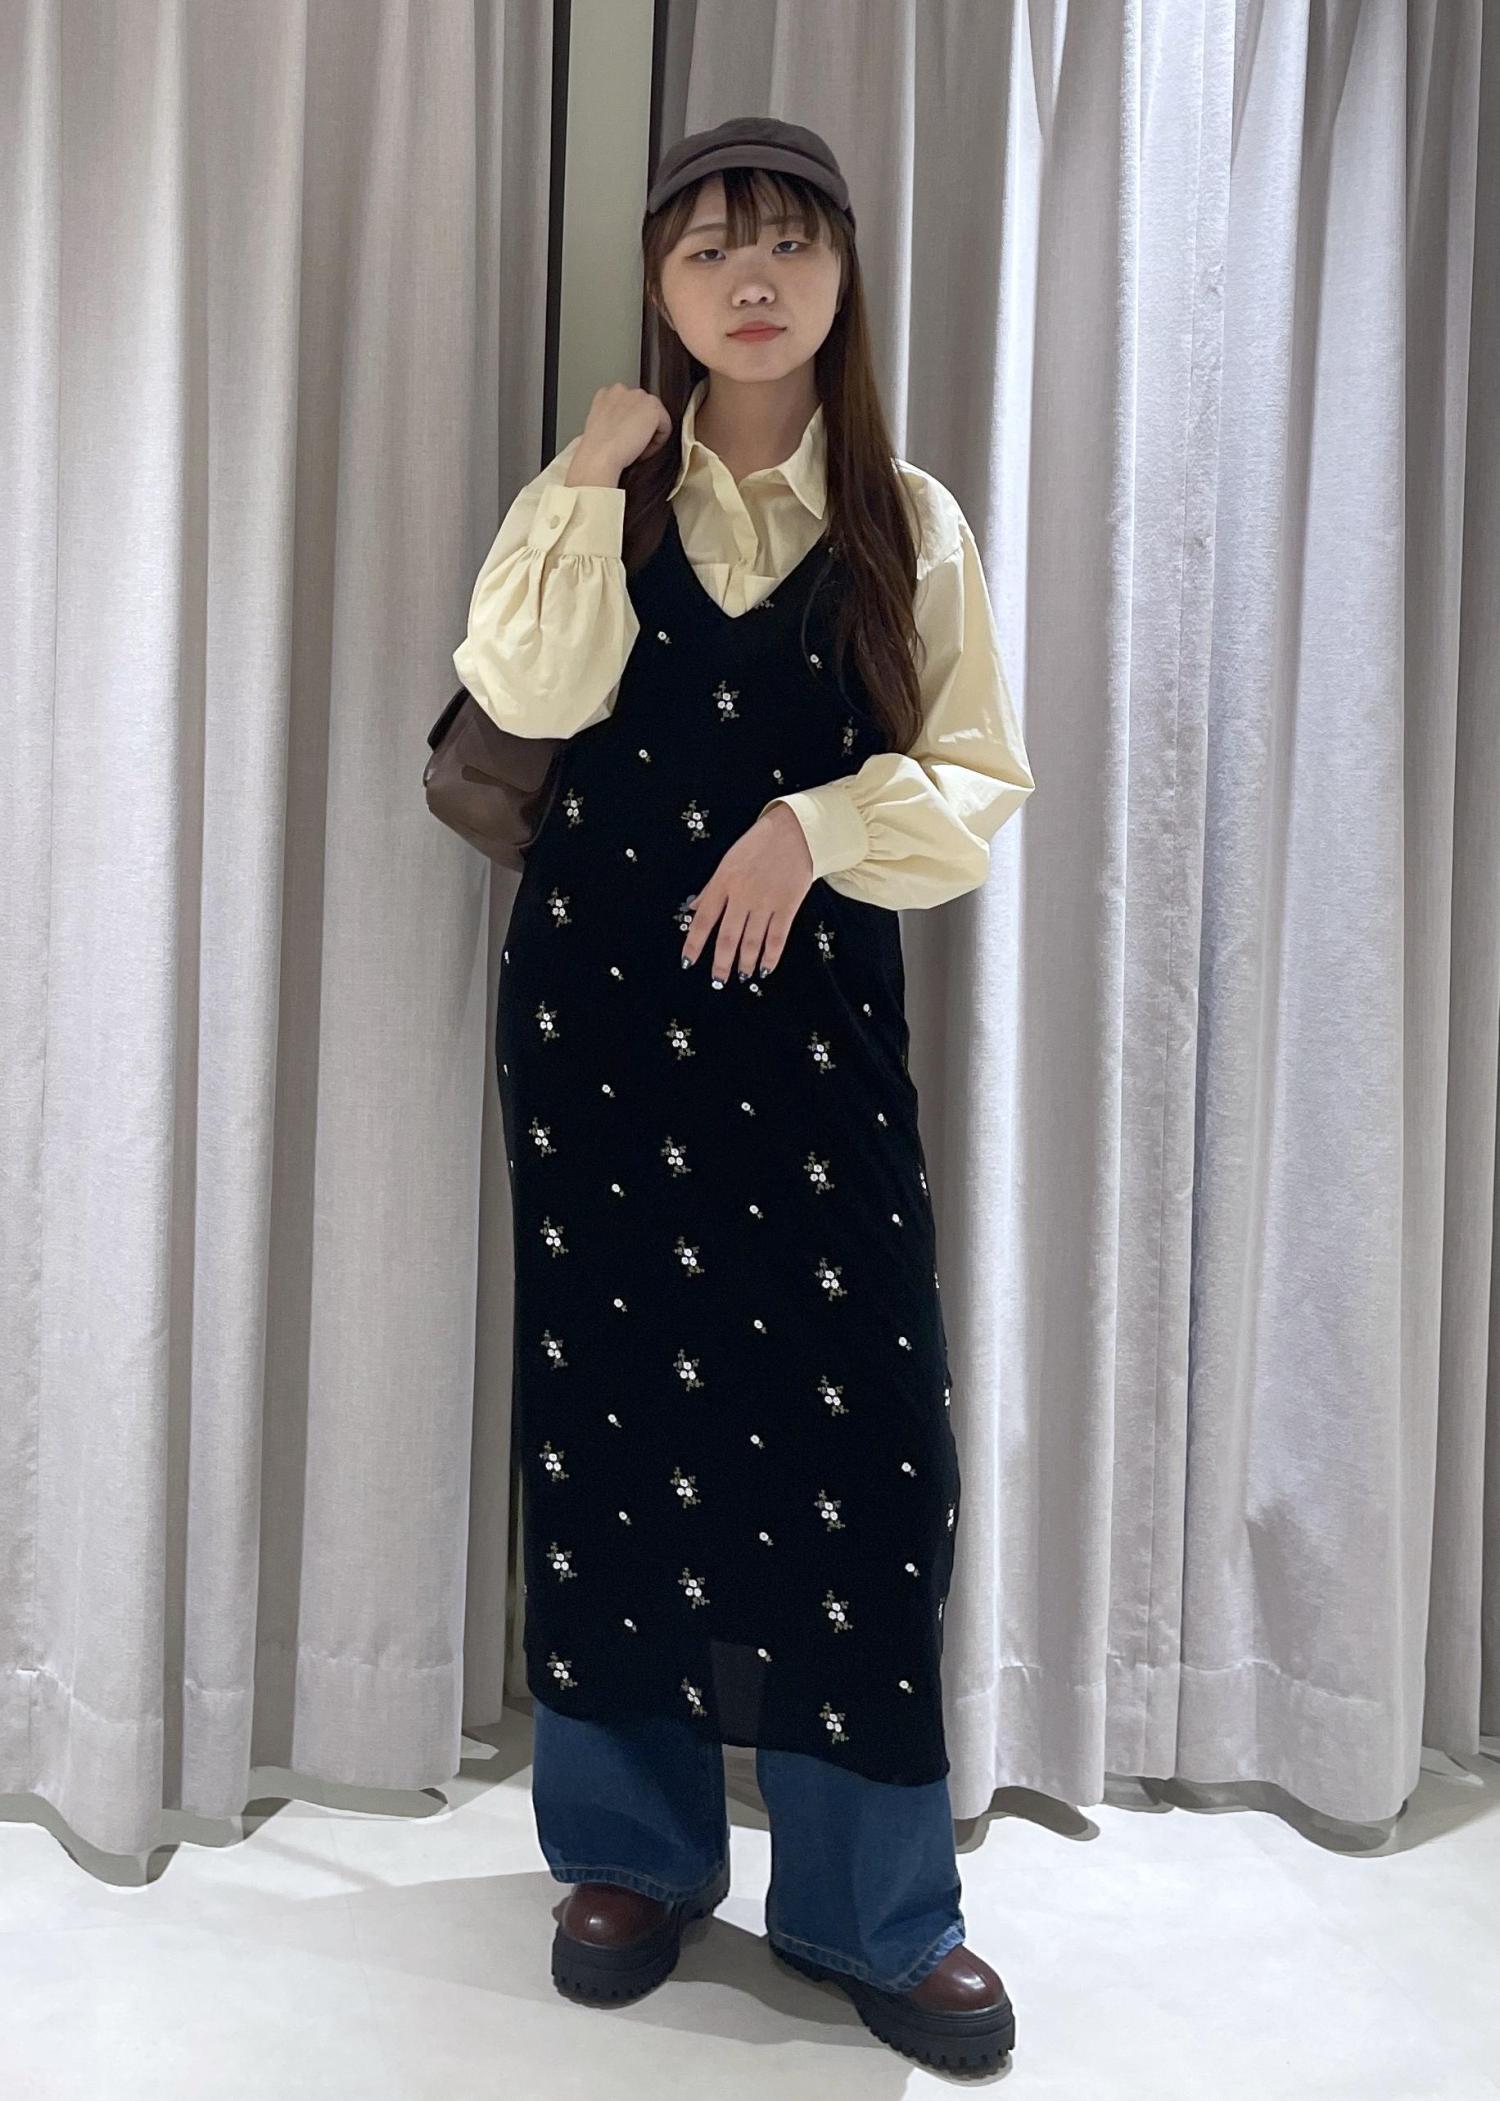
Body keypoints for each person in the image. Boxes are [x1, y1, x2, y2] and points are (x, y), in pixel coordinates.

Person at [453, 116, 1034, 2075]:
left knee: (872, 1447)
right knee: (611, 1423)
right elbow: (524, 697)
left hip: (811, 1052)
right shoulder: (606, 498)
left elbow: (978, 782)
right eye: (709, 249)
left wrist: (818, 822)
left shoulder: (907, 521)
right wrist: (586, 469)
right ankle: (629, 1852)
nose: (752, 278)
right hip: (604, 1035)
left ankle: (876, 1907)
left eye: (787, 242)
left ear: (844, 274)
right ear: (662, 285)